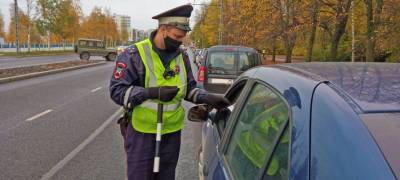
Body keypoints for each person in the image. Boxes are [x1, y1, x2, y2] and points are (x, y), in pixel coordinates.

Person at [109, 4, 230, 180]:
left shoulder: (181, 56)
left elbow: (189, 89)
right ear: (163, 29)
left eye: (182, 38)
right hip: (142, 133)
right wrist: (151, 93)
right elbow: (117, 91)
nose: (180, 42)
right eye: (177, 37)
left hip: (171, 133)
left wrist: (208, 97)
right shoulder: (134, 55)